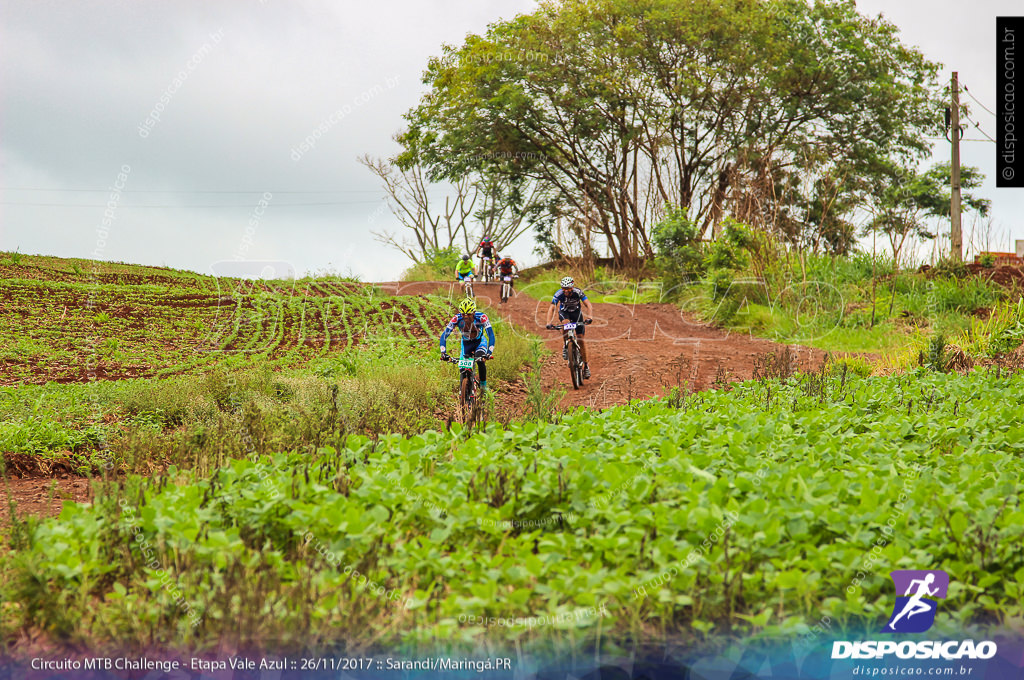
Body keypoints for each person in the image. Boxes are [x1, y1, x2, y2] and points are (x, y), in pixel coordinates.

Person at [440, 298, 495, 392]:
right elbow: (444, 336)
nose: (466, 317)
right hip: (466, 345)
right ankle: (463, 393)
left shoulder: (482, 317)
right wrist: (443, 353)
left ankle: (483, 387)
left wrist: (489, 352)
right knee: (463, 369)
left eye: (469, 314)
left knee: (480, 360)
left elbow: (491, 335)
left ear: (474, 312)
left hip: (479, 342)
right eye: (463, 314)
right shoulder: (456, 318)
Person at [544, 276, 594, 379]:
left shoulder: (578, 292)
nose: (566, 291)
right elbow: (552, 307)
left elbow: (588, 304)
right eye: (564, 288)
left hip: (577, 314)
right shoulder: (558, 294)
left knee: (581, 340)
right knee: (565, 324)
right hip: (565, 313)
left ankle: (586, 366)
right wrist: (548, 322)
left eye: (568, 288)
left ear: (572, 287)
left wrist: (590, 317)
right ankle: (566, 345)